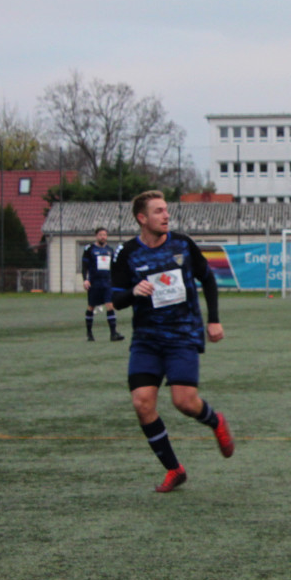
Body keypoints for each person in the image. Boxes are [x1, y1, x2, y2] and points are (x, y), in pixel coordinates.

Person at [112, 190, 234, 492]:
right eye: (158, 211)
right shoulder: (126, 254)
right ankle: (174, 469)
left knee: (184, 402)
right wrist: (132, 292)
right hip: (147, 340)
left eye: (166, 210)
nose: (166, 216)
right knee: (142, 404)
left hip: (182, 335)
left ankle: (215, 420)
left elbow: (207, 279)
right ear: (142, 218)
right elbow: (115, 299)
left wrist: (214, 319)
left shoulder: (182, 244)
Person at [81, 227, 125, 342]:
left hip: (107, 283)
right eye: (100, 235)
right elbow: (84, 266)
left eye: (105, 235)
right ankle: (89, 333)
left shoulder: (110, 250)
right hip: (94, 283)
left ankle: (113, 333)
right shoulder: (90, 249)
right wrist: (85, 279)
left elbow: (113, 267)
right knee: (91, 306)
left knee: (110, 305)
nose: (103, 237)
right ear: (96, 236)